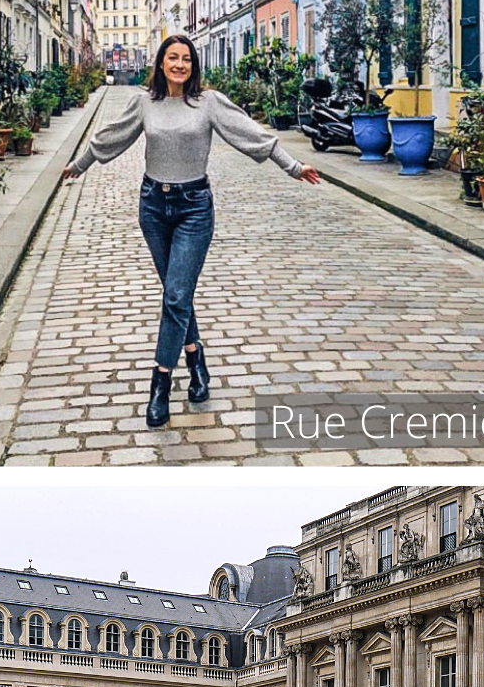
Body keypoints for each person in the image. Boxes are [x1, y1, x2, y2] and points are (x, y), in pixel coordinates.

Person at [62, 34, 323, 428]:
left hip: (194, 208)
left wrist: (293, 166)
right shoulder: (144, 102)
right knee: (175, 295)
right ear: (162, 63)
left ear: (193, 64)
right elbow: (112, 137)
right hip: (153, 206)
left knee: (177, 294)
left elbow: (253, 135)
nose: (180, 64)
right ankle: (196, 359)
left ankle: (160, 384)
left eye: (186, 58)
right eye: (173, 58)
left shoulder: (208, 103)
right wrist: (79, 165)